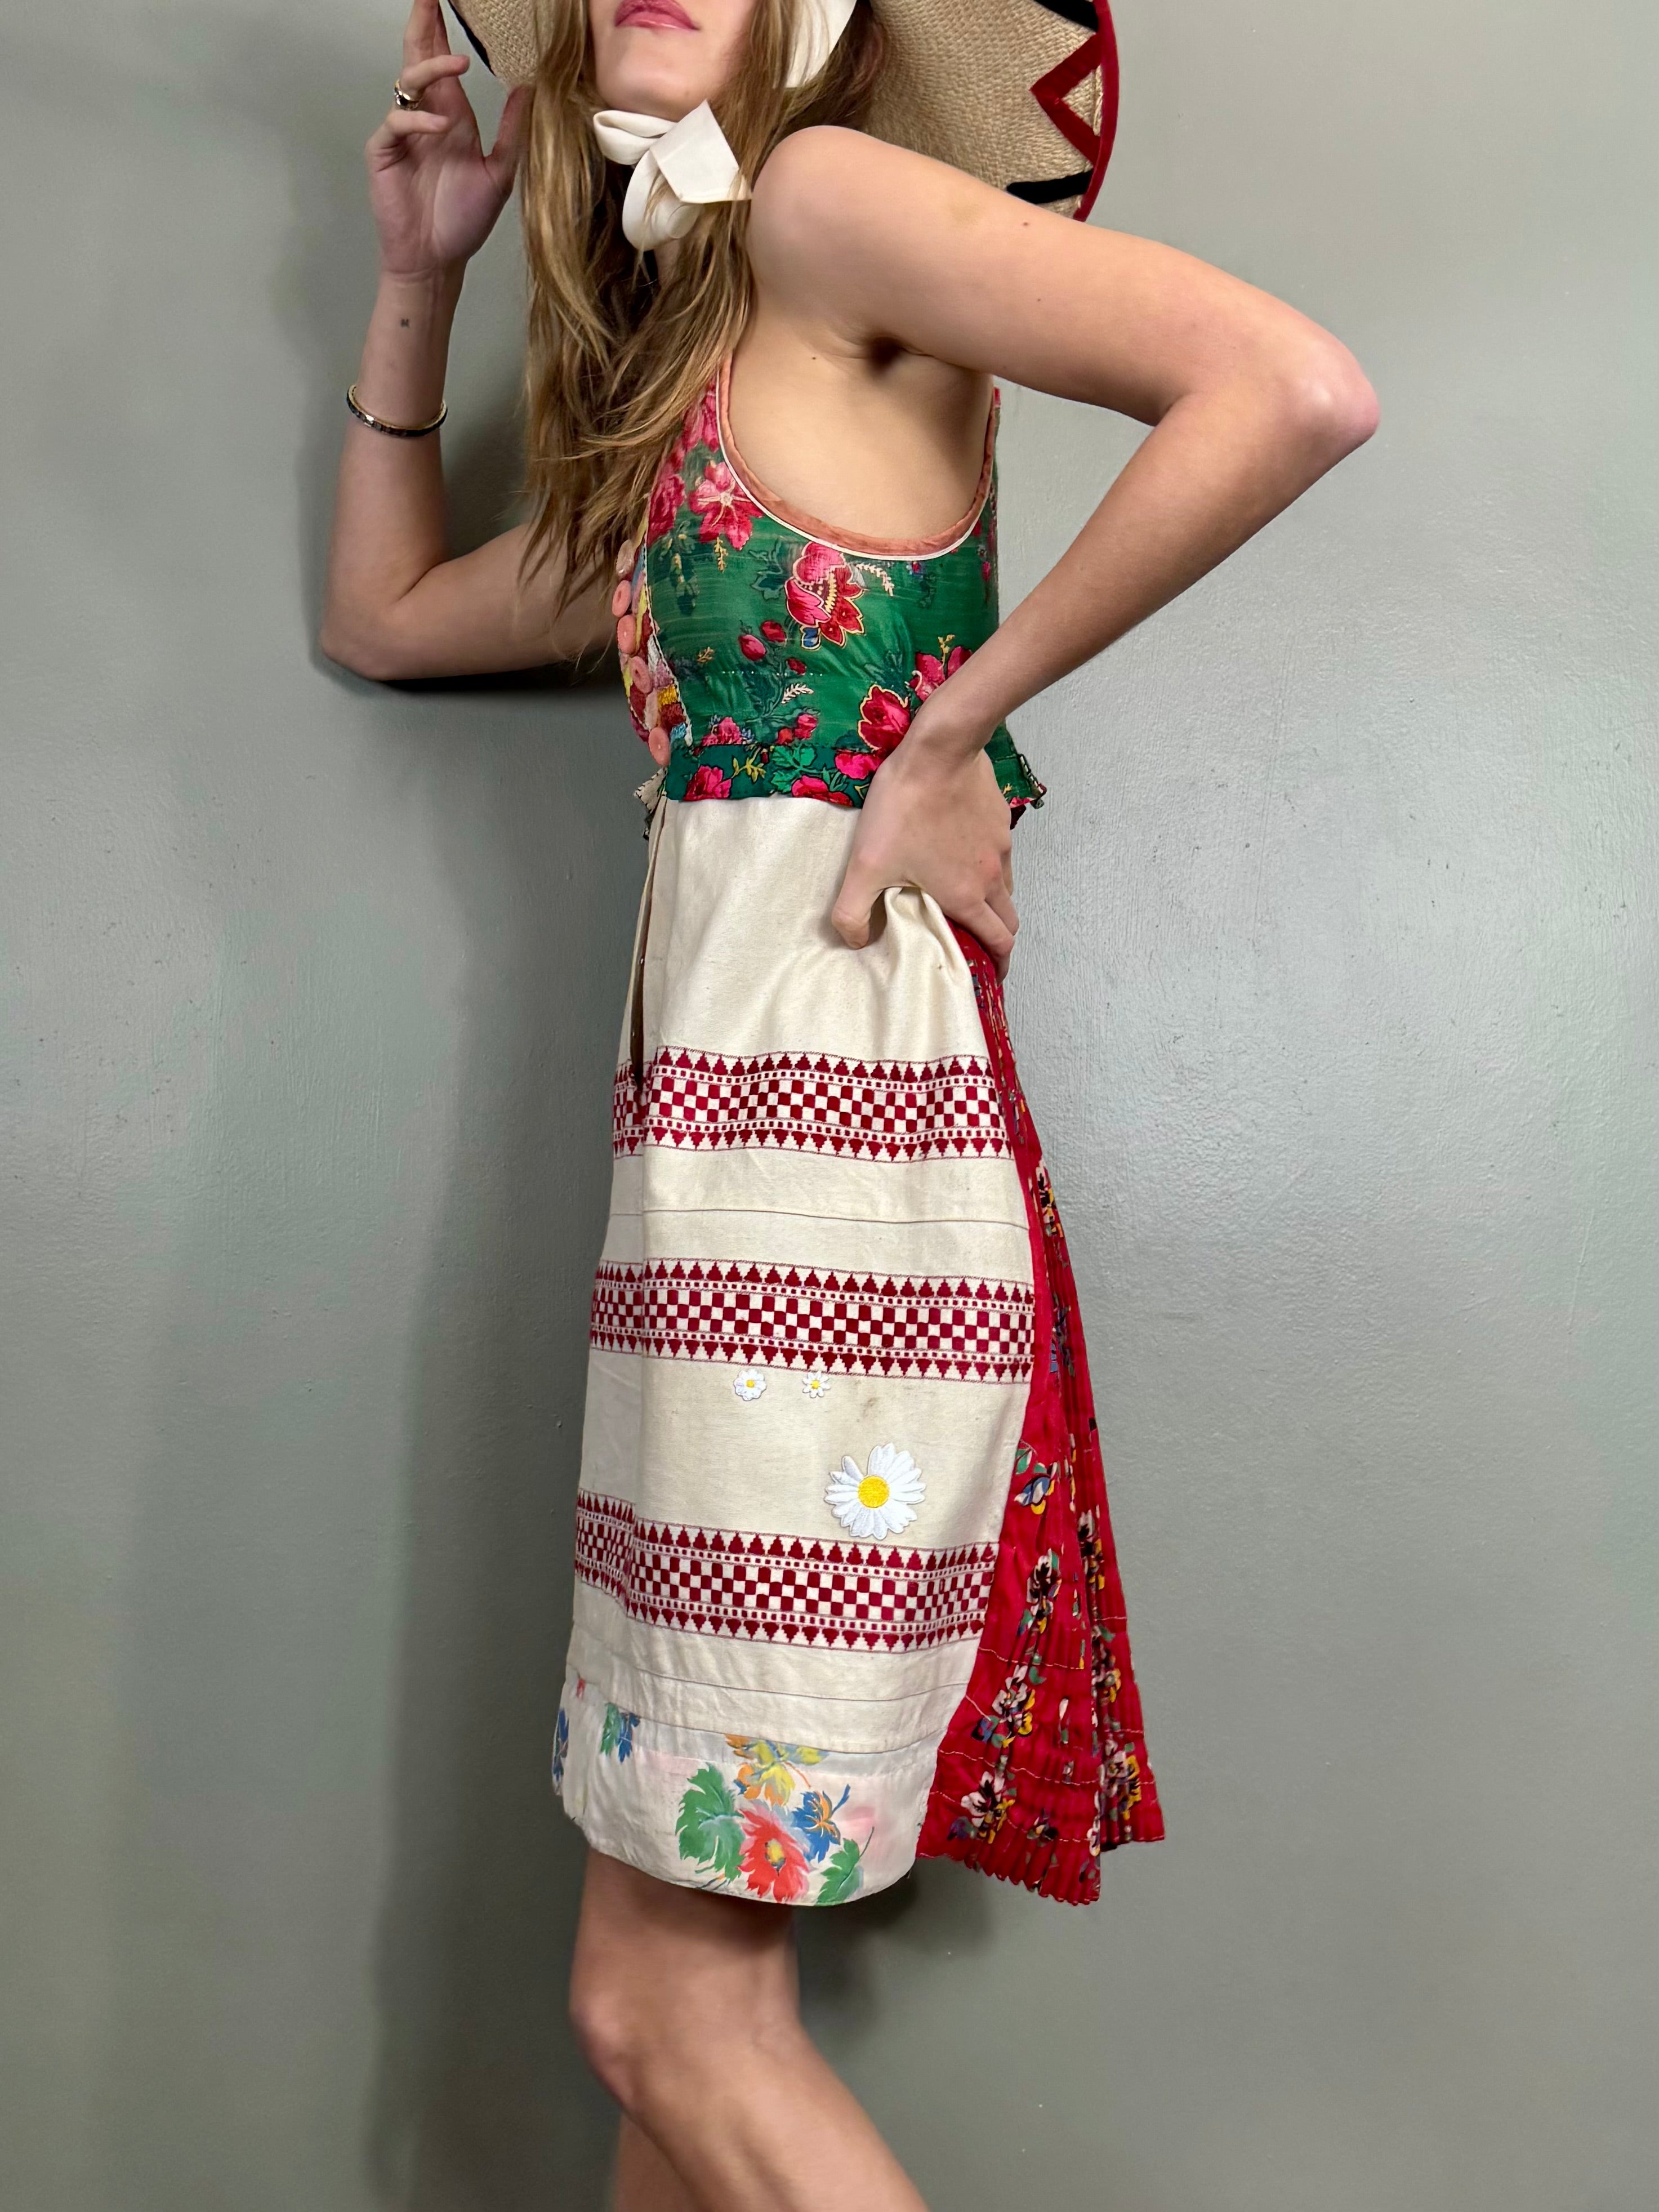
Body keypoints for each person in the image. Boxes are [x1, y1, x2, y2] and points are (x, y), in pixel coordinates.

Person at [321, 1, 1376, 2201]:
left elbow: (1287, 385)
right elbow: (390, 613)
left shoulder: (815, 197)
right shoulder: (696, 420)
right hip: (728, 1211)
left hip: (820, 1208)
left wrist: (952, 724)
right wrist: (419, 274)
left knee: (660, 2013)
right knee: (681, 2048)